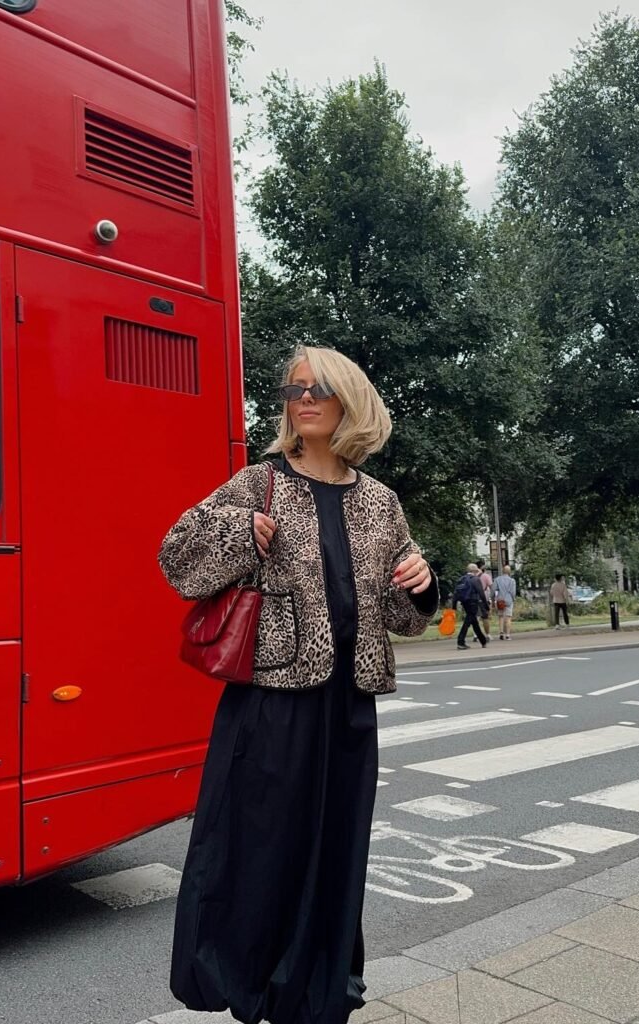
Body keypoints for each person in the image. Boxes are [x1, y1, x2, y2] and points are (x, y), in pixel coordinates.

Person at [158, 345, 438, 1024]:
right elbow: (177, 562)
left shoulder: (381, 502)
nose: (303, 398)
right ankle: (250, 987)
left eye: (318, 388)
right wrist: (238, 534)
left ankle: (318, 993)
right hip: (271, 702)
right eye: (294, 389)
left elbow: (404, 618)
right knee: (259, 851)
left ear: (350, 401)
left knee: (338, 850)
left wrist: (421, 584)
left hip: (349, 705)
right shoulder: (258, 483)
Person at [453, 563, 489, 650]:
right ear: (474, 571)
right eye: (477, 570)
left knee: (474, 621)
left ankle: (483, 640)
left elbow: (456, 593)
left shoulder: (462, 579)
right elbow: (481, 593)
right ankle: (460, 641)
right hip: (473, 602)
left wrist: (454, 606)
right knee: (468, 621)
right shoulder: (475, 579)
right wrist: (486, 605)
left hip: (465, 602)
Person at [493, 564, 517, 639]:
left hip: (500, 599)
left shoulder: (497, 579)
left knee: (501, 616)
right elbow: (513, 592)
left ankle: (501, 633)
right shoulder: (512, 581)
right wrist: (513, 598)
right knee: (508, 617)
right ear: (509, 572)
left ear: (503, 571)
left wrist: (493, 598)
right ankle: (508, 635)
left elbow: (493, 590)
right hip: (509, 599)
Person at [472, 557, 493, 643]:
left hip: (473, 598)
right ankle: (487, 634)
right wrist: (492, 598)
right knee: (485, 617)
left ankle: (475, 634)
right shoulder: (486, 576)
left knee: (476, 617)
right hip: (483, 598)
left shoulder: (472, 576)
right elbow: (491, 587)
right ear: (482, 567)